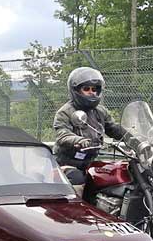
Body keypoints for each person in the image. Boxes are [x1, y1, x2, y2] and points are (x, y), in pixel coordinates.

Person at [52, 67, 139, 197]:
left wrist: (137, 140)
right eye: (86, 89)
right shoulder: (65, 112)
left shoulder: (100, 112)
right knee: (76, 178)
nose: (91, 93)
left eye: (94, 89)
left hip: (89, 163)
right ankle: (75, 214)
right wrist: (79, 141)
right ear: (75, 90)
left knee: (117, 175)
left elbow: (115, 129)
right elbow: (62, 134)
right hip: (66, 164)